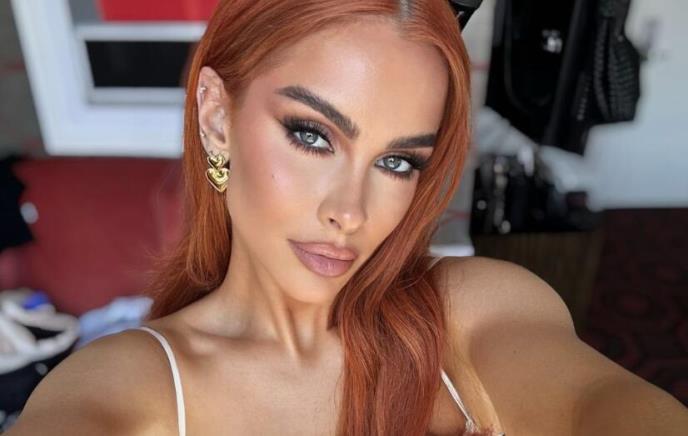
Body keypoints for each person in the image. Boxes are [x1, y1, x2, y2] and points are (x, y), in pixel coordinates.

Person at [7, 1, 688, 435]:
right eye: (312, 135)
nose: (350, 212)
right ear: (216, 117)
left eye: (398, 162)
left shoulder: (470, 312)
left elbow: (598, 404)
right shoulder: (132, 384)